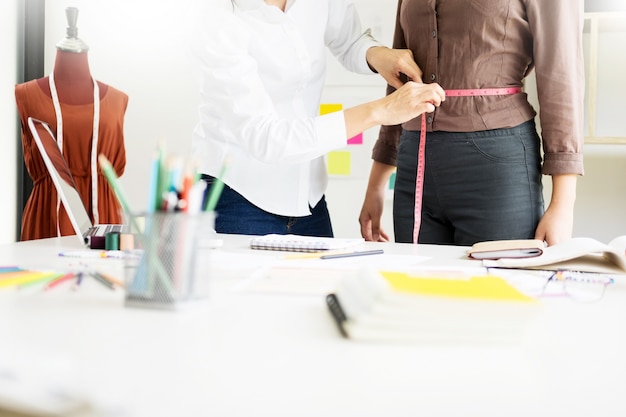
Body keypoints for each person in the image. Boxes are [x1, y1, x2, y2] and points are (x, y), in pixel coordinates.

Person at [190, 0, 445, 238]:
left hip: (308, 198)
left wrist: (375, 54)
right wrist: (379, 111)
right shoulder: (217, 17)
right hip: (239, 195)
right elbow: (268, 139)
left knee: (322, 286)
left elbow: (348, 39)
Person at [359, 0, 584, 247]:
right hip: (414, 164)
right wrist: (376, 183)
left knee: (494, 285)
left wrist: (563, 203)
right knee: (418, 284)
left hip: (497, 168)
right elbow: (400, 75)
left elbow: (560, 74)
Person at [15, 7, 128, 240]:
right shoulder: (26, 95)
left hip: (104, 216)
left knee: (105, 277)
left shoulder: (117, 100)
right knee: (46, 276)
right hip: (47, 214)